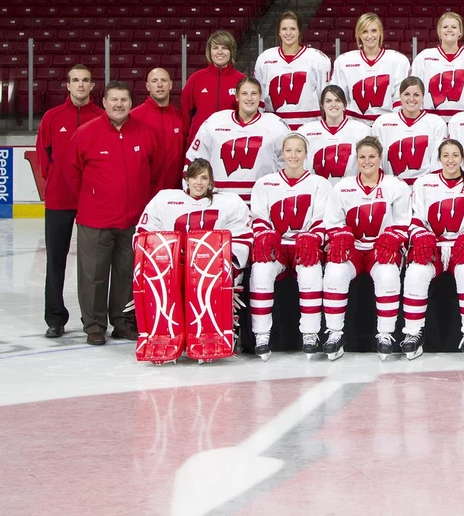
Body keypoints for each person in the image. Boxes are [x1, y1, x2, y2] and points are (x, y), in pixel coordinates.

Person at [63, 81, 159, 345]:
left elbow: (154, 172)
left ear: (131, 103)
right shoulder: (85, 133)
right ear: (104, 102)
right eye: (114, 99)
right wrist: (92, 199)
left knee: (126, 273)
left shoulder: (145, 133)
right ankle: (94, 325)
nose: (119, 105)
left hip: (132, 220)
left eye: (124, 100)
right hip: (96, 219)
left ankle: (122, 321)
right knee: (93, 274)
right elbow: (72, 174)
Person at [133, 159, 253, 347]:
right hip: (172, 267)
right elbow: (144, 235)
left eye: (204, 178)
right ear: (186, 179)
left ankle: (217, 333)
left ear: (211, 181)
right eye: (194, 177)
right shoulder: (163, 200)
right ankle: (164, 334)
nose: (199, 183)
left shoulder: (229, 203)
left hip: (210, 269)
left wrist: (229, 267)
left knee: (217, 282)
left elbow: (242, 238)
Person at [248, 133, 341, 360]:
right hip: (277, 246)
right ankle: (262, 335)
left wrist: (312, 238)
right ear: (282, 153)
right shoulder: (265, 183)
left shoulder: (319, 184)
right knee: (260, 272)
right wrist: (265, 236)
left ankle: (310, 334)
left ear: (306, 154)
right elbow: (259, 218)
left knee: (310, 272)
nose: (293, 155)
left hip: (304, 245)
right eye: (289, 150)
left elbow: (321, 219)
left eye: (298, 151)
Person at [322, 136, 412, 360]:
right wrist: (340, 235)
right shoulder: (343, 187)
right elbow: (332, 222)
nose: (367, 161)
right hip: (353, 248)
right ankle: (334, 333)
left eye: (372, 156)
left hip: (382, 248)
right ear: (356, 159)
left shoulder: (395, 186)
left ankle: (385, 334)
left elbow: (403, 222)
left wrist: (392, 238)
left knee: (388, 274)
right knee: (334, 271)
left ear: (380, 159)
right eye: (362, 157)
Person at [401, 140, 464, 360]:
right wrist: (420, 235)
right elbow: (416, 218)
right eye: (446, 155)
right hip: (435, 244)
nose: (451, 160)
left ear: (463, 158)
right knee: (415, 272)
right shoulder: (424, 183)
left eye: (455, 155)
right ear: (438, 159)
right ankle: (413, 332)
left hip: (462, 244)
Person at [36, 64, 103, 338]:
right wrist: (56, 183)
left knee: (93, 263)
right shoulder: (52, 118)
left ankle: (93, 318)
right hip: (59, 200)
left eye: (85, 80)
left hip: (91, 201)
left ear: (92, 86)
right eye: (75, 80)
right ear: (68, 85)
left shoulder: (101, 116)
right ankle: (55, 317)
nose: (80, 85)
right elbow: (43, 157)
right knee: (56, 260)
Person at [185, 77, 286, 204]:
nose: (249, 98)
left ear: (260, 97)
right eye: (244, 93)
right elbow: (194, 160)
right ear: (237, 97)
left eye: (254, 93)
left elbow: (288, 165)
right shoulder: (215, 122)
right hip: (219, 202)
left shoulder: (276, 126)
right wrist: (195, 197)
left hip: (260, 202)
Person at [254, 11, 332, 130]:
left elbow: (325, 97)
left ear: (299, 31)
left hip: (309, 127)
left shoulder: (317, 59)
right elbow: (259, 98)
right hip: (274, 127)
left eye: (293, 29)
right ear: (279, 32)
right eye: (284, 29)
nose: (288, 33)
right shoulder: (265, 59)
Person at [330, 12, 410, 124]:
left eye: (373, 31)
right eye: (364, 32)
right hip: (355, 125)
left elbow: (399, 98)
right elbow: (338, 96)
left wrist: (392, 123)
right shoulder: (344, 61)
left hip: (387, 124)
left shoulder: (398, 61)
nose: (369, 36)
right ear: (358, 34)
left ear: (381, 32)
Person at [410, 11, 464, 123]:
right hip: (430, 120)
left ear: (460, 32)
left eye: (454, 27)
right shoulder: (424, 57)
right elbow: (414, 89)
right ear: (439, 32)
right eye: (445, 27)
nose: (449, 30)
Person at [371, 76, 448, 182]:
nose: (411, 99)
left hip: (424, 185)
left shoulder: (436, 123)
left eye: (416, 95)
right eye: (407, 94)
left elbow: (437, 161)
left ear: (423, 97)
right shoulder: (382, 123)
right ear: (400, 96)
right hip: (392, 186)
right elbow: (377, 160)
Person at [130, 67, 187, 192]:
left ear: (170, 85)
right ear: (147, 86)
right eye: (154, 81)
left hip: (176, 191)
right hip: (144, 192)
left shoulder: (181, 117)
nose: (160, 85)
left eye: (164, 80)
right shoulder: (134, 117)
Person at [184, 30, 246, 141]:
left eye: (225, 48)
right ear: (209, 51)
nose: (220, 52)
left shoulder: (241, 81)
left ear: (231, 51)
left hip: (230, 142)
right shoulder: (196, 79)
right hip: (201, 142)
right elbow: (185, 114)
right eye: (215, 48)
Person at [302, 85, 372, 180]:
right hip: (318, 190)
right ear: (322, 105)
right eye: (328, 101)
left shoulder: (362, 130)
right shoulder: (306, 131)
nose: (333, 104)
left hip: (350, 190)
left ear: (345, 105)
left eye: (338, 100)